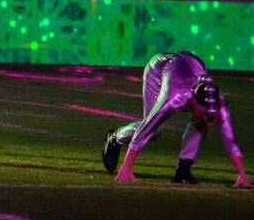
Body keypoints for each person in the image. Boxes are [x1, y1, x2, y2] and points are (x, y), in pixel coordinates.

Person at [104, 51, 248, 186]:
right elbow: (148, 125)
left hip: (189, 65)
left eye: (211, 115)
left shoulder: (217, 103)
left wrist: (242, 175)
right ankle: (116, 138)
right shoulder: (175, 97)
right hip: (159, 69)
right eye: (204, 114)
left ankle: (183, 169)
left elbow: (230, 140)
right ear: (192, 102)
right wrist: (127, 167)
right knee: (155, 130)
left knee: (200, 123)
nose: (208, 118)